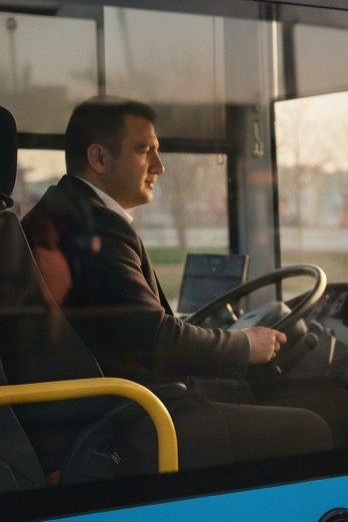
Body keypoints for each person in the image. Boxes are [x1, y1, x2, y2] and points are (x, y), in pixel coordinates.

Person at [21, 96, 332, 476]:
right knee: (312, 428)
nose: (160, 166)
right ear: (99, 159)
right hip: (131, 423)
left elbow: (127, 327)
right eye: (144, 151)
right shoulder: (93, 227)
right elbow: (154, 339)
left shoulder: (58, 212)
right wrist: (246, 344)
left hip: (111, 409)